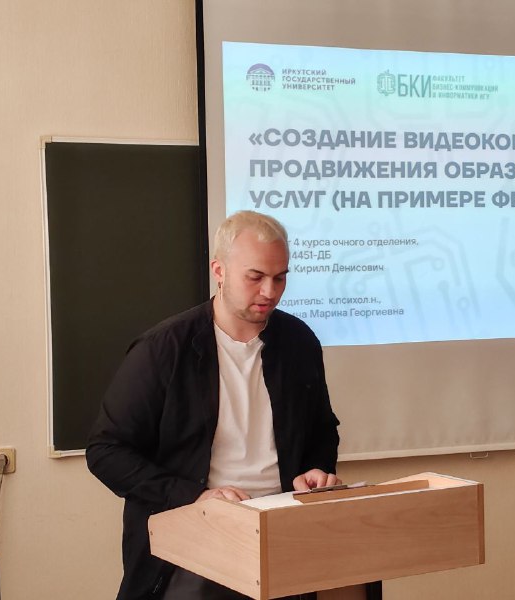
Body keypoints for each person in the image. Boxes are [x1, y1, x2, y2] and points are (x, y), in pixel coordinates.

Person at [87, 211, 340, 599]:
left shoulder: (299, 341)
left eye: (280, 277)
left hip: (283, 534)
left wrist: (317, 470)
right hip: (194, 541)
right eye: (255, 277)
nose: (270, 292)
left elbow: (322, 429)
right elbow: (106, 451)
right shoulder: (163, 349)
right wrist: (195, 496)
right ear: (219, 271)